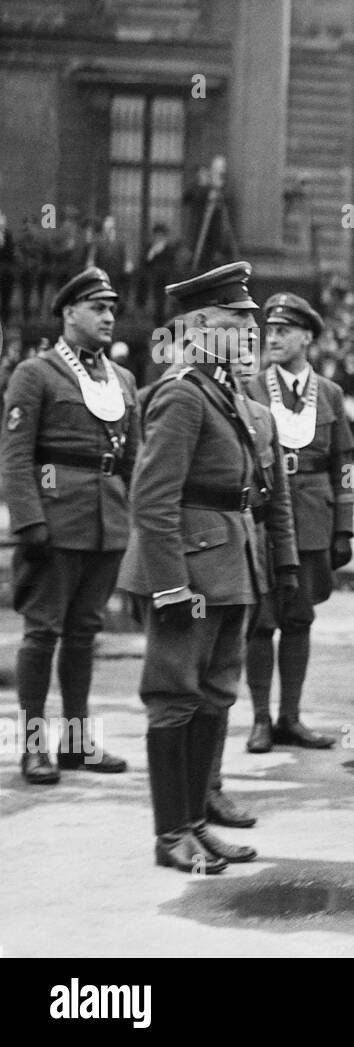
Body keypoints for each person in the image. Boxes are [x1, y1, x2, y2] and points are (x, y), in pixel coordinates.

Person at [118, 261, 298, 873]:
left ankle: (196, 821)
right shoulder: (181, 392)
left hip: (228, 563)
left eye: (249, 321)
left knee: (216, 694)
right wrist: (169, 585)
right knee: (174, 697)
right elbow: (152, 497)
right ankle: (171, 834)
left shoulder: (225, 392)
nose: (249, 332)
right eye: (234, 321)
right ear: (198, 326)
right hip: (188, 572)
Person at [1, 267, 138, 784]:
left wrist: (125, 516)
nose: (108, 317)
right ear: (68, 313)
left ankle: (76, 745)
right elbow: (14, 458)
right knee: (42, 635)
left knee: (85, 635)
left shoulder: (122, 379)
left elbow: (132, 458)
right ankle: (33, 749)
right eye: (97, 308)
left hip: (107, 525)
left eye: (112, 309)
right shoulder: (35, 374)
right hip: (55, 525)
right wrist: (30, 521)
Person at [241, 292, 354, 751]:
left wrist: (344, 527)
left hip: (312, 518)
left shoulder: (329, 394)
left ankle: (291, 716)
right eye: (270, 331)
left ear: (307, 336)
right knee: (261, 621)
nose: (275, 339)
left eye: (285, 331)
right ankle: (261, 719)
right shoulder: (249, 388)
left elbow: (343, 465)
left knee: (299, 619)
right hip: (264, 517)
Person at [206, 367, 298, 829]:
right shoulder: (185, 399)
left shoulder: (262, 417)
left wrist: (287, 560)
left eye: (250, 350)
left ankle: (211, 787)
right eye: (234, 349)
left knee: (225, 674)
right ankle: (190, 797)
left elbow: (277, 498)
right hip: (203, 549)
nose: (243, 361)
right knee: (190, 680)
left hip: (251, 541)